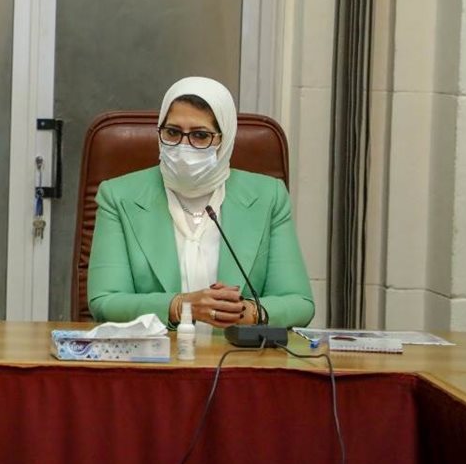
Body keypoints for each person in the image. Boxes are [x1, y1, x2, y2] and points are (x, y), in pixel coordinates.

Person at [86, 76, 314, 328]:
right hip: (157, 349)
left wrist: (244, 312)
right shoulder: (118, 195)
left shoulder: (268, 196)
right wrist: (181, 307)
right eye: (172, 132)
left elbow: (299, 303)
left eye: (200, 135)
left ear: (224, 139)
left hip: (235, 350)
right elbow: (105, 302)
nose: (184, 146)